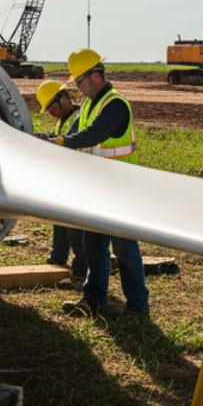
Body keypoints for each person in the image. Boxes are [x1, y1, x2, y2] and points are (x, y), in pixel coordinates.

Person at [55, 48, 149, 319]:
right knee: (93, 244)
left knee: (124, 247)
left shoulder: (115, 104)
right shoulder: (89, 105)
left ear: (95, 76)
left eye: (79, 82)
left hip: (120, 188)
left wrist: (62, 142)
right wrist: (51, 139)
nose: (77, 88)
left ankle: (137, 306)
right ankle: (94, 298)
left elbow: (94, 134)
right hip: (97, 187)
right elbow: (75, 134)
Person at [35, 79, 87, 291]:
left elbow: (68, 142)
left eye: (52, 107)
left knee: (75, 228)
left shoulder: (77, 117)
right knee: (59, 222)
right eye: (48, 110)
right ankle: (58, 258)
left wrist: (48, 140)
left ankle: (81, 270)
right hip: (66, 178)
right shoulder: (64, 119)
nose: (51, 113)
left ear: (64, 99)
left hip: (78, 178)